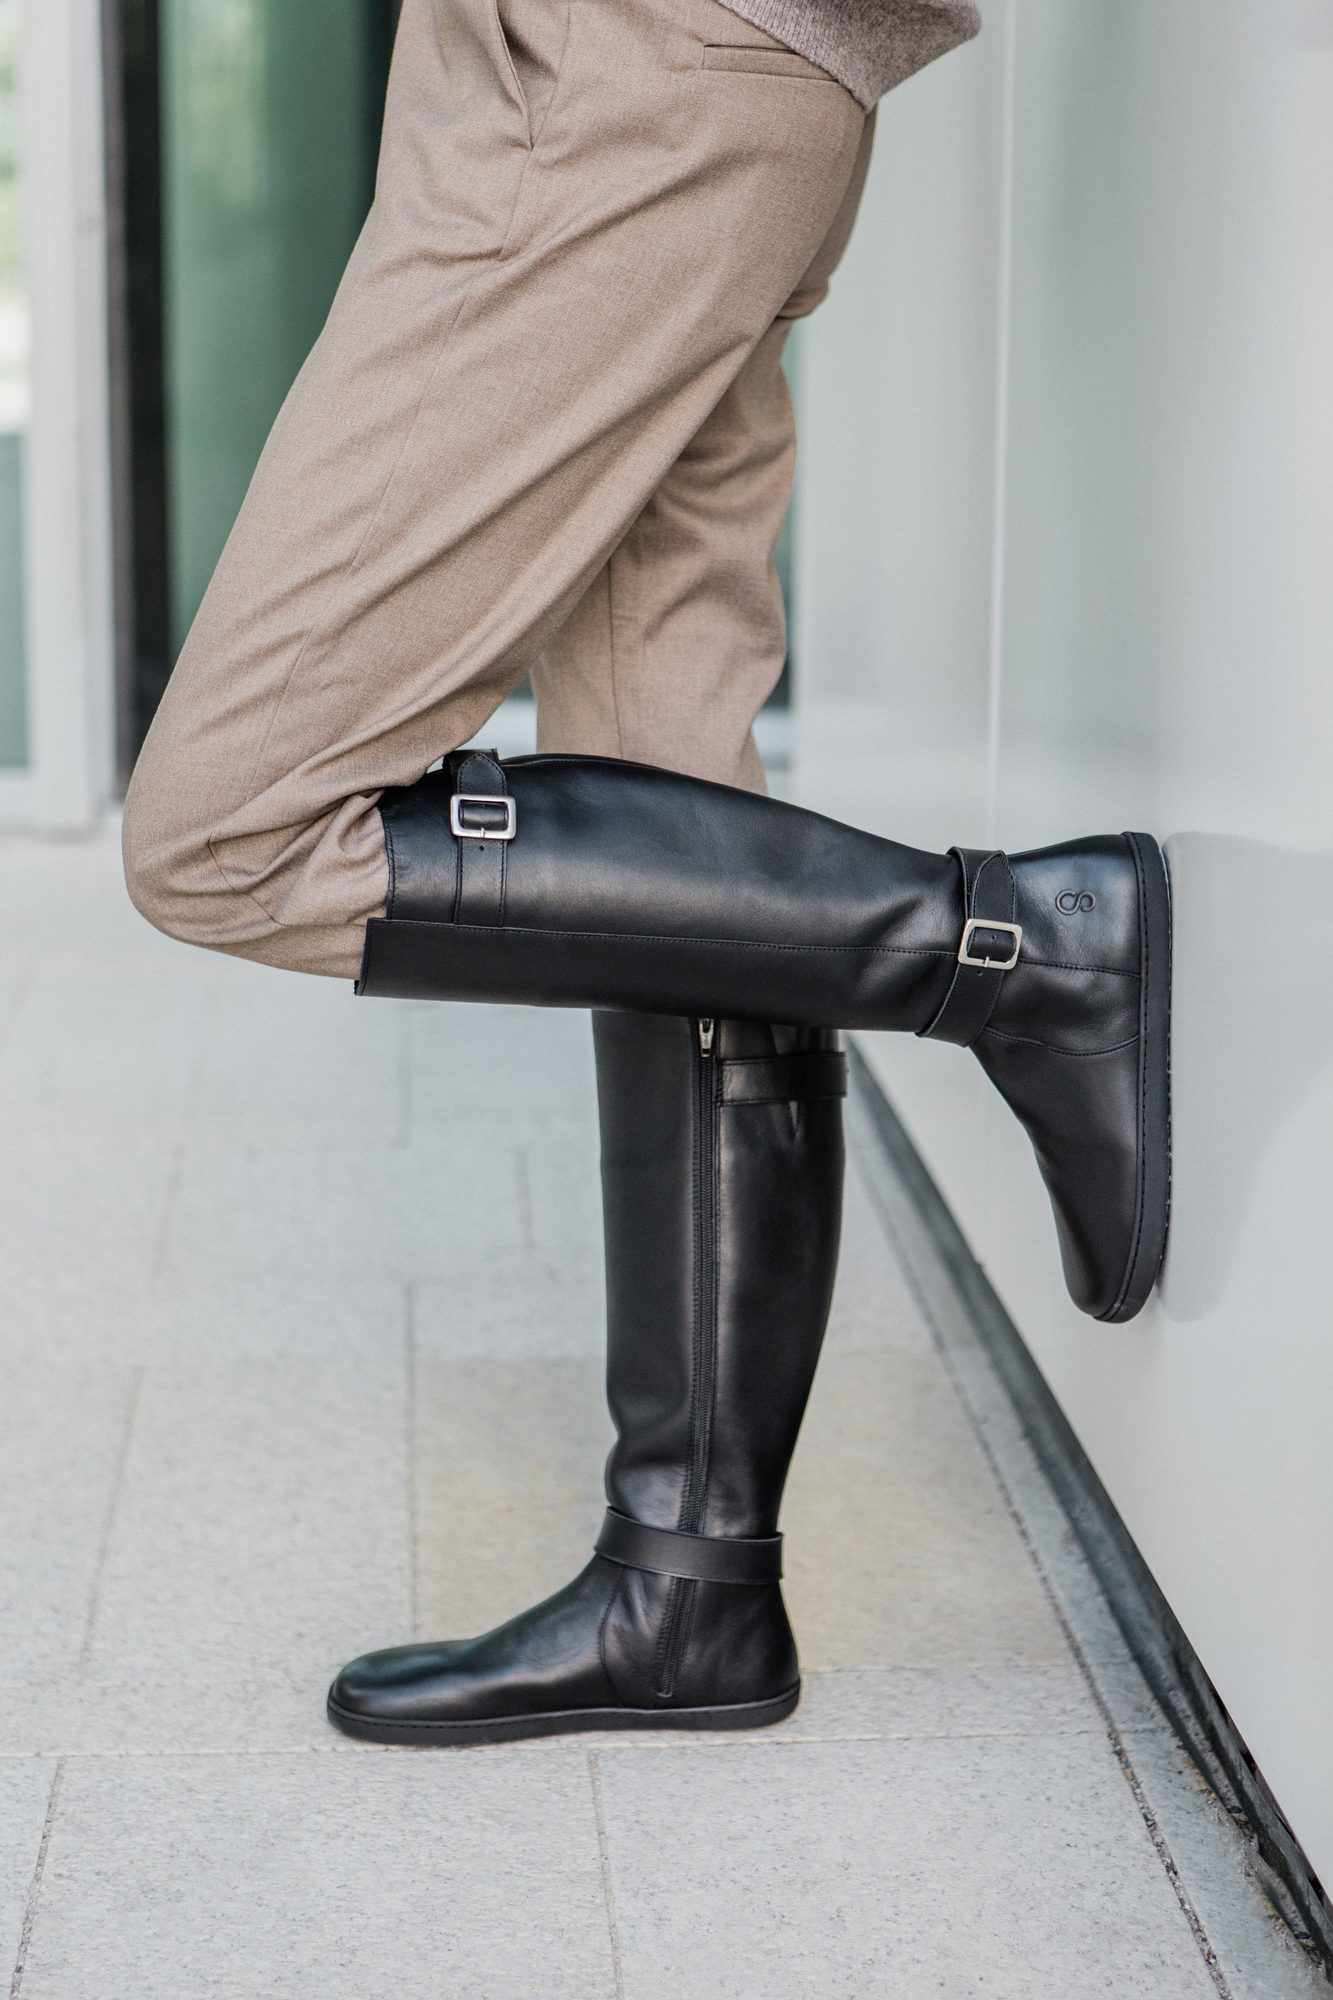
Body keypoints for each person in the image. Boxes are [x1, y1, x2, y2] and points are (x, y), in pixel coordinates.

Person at [121, 0, 1169, 1748]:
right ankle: (688, 1589)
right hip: (693, 84)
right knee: (664, 786)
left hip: (618, 75)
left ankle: (1020, 952)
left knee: (227, 835)